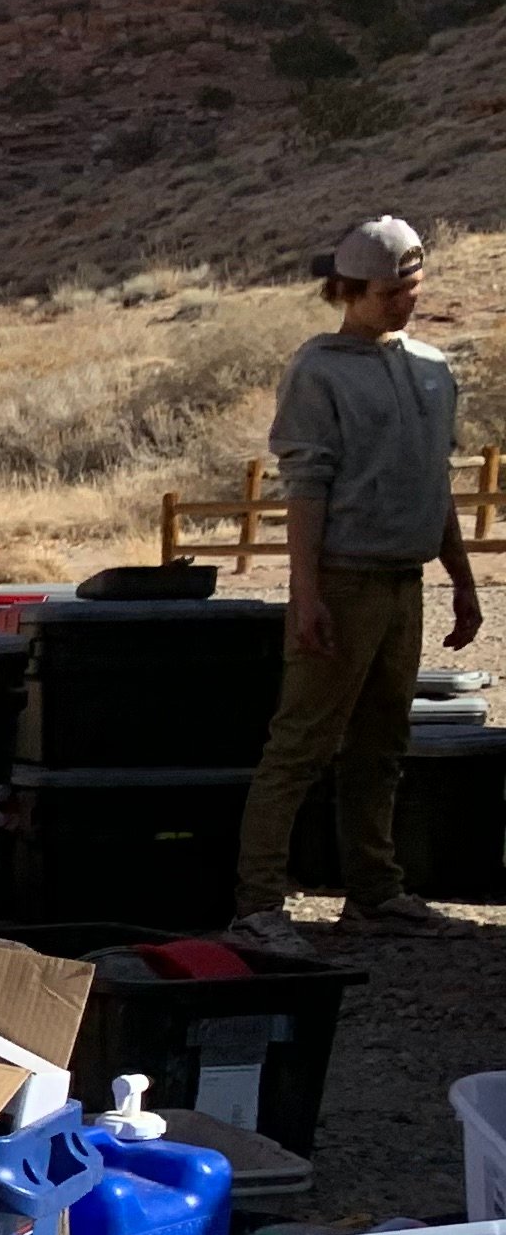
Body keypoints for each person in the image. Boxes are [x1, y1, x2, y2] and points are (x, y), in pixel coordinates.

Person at [233, 215, 481, 953]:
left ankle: (375, 891)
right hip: (342, 581)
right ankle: (258, 906)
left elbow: (433, 486)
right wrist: (306, 595)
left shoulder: (433, 369)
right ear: (347, 290)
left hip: (405, 581)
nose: (403, 301)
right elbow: (306, 489)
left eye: (412, 286)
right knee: (301, 745)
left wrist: (461, 582)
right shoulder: (319, 371)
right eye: (387, 291)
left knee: (384, 744)